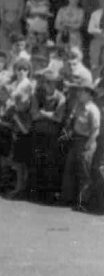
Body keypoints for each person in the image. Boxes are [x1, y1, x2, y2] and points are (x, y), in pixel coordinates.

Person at [60, 74, 101, 212]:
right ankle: (68, 198)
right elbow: (74, 122)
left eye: (82, 91)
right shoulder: (78, 106)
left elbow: (95, 129)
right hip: (76, 139)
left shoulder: (93, 110)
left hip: (86, 141)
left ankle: (83, 202)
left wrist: (89, 144)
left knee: (84, 173)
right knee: (71, 169)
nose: (79, 94)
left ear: (89, 95)